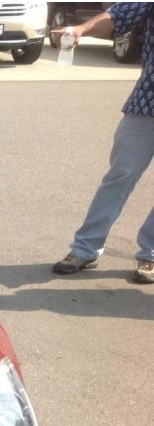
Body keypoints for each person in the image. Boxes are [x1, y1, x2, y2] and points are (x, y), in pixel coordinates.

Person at [52, 3, 154, 284]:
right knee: (118, 176)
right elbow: (118, 14)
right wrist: (82, 28)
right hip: (147, 104)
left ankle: (151, 254)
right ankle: (85, 249)